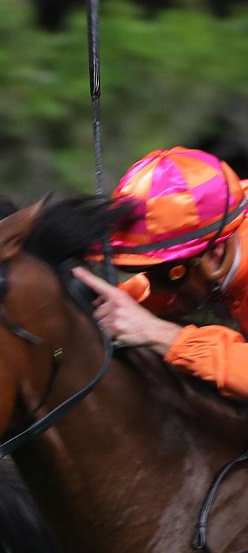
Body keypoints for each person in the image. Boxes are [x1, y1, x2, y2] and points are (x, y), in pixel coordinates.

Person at [75, 146, 248, 395]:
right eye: (147, 270)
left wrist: (159, 333)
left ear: (215, 252)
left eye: (169, 275)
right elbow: (161, 282)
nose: (155, 286)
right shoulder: (220, 225)